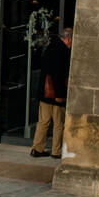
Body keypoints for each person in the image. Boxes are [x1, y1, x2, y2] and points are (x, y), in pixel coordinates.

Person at [31, 26, 72, 159]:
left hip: (45, 93)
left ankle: (37, 149)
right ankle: (56, 151)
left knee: (43, 122)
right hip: (55, 94)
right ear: (68, 39)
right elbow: (58, 75)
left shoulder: (50, 46)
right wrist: (60, 95)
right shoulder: (62, 51)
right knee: (58, 124)